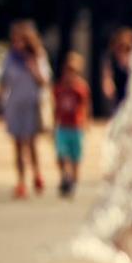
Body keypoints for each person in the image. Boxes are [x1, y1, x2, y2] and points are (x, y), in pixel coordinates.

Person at [1, 22, 50, 200]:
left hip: (32, 104)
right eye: (15, 40)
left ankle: (37, 173)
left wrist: (33, 68)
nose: (17, 44)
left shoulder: (38, 56)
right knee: (17, 144)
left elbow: (44, 80)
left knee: (31, 143)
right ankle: (21, 181)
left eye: (21, 40)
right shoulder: (10, 58)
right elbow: (4, 80)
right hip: (14, 105)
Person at [52, 52, 90, 196]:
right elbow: (55, 106)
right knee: (61, 154)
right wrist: (54, 123)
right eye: (68, 71)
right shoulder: (60, 87)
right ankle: (64, 176)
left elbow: (86, 106)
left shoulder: (81, 88)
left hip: (76, 126)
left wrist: (86, 122)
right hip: (63, 126)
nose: (70, 74)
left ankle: (74, 181)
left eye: (73, 71)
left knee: (75, 157)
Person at [99, 26, 132, 116]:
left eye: (126, 47)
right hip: (118, 88)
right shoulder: (112, 58)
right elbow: (108, 73)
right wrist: (107, 82)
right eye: (121, 46)